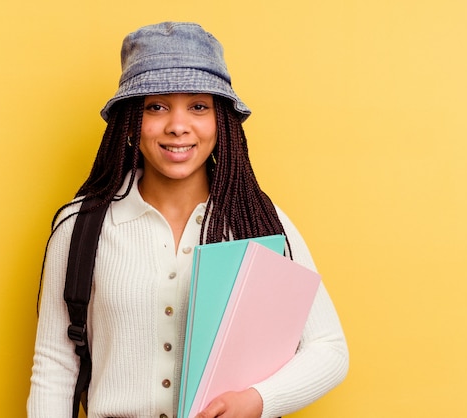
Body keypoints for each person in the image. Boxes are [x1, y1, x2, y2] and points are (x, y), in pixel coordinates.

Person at [27, 21, 348, 418]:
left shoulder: (260, 221)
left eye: (198, 106)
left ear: (221, 122)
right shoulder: (81, 227)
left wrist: (259, 400)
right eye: (156, 106)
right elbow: (55, 366)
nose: (178, 126)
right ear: (131, 122)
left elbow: (329, 349)